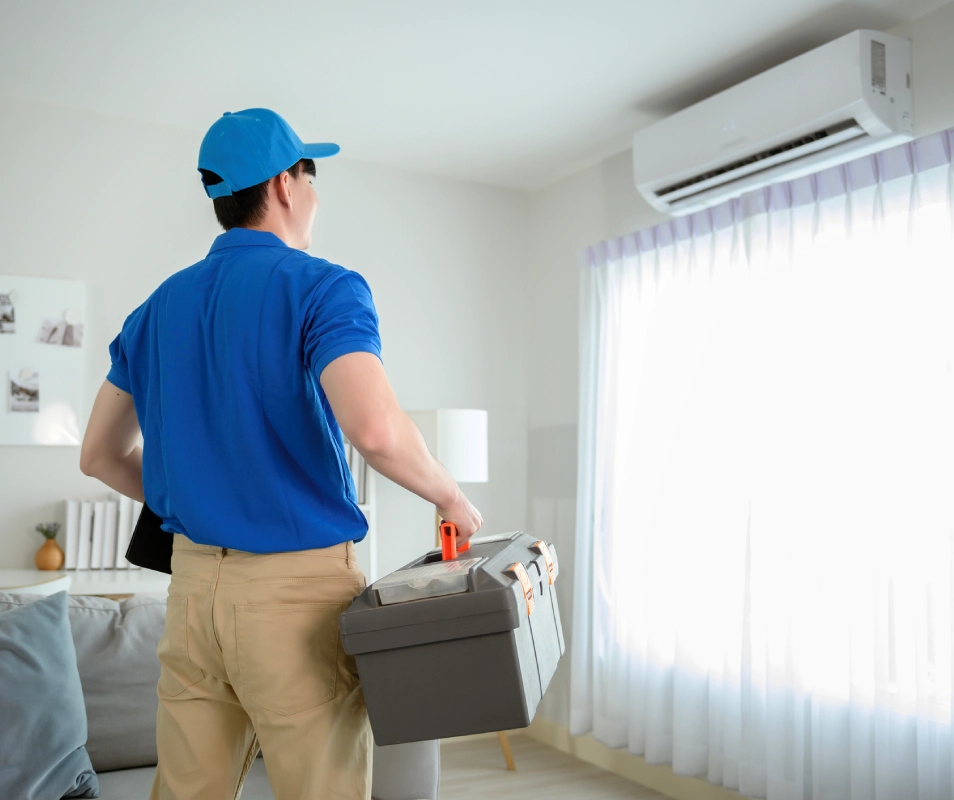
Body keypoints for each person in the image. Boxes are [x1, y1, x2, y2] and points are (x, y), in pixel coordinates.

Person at [79, 107, 482, 800]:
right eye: (310, 173)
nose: (316, 192)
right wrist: (450, 496)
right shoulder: (322, 287)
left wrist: (196, 496)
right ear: (286, 185)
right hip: (294, 599)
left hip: (192, 595)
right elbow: (377, 431)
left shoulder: (153, 310)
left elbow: (100, 456)